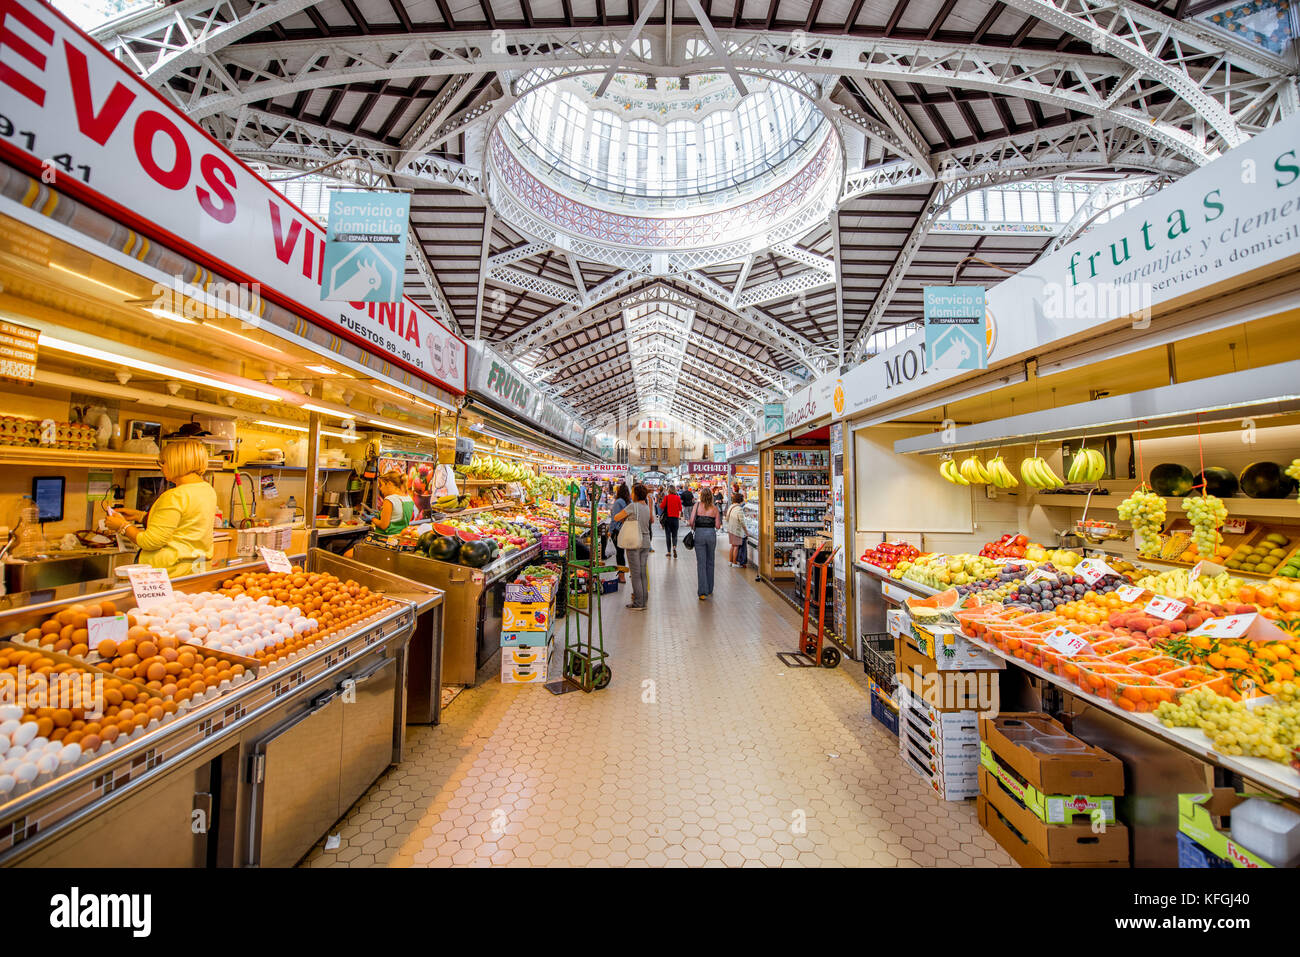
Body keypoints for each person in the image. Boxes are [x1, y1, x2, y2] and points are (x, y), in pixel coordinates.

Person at [104, 438, 217, 577]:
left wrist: (122, 526)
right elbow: (186, 524)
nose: (162, 467)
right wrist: (141, 516)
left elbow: (150, 542)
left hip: (169, 572)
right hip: (197, 568)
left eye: (163, 462)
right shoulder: (207, 490)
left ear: (178, 463)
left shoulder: (175, 496)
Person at [611, 484, 652, 610]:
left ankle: (638, 603)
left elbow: (616, 517)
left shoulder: (633, 506)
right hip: (645, 541)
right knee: (642, 573)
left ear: (636, 494)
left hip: (635, 542)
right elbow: (651, 521)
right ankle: (644, 600)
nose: (631, 494)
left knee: (635, 574)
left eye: (633, 492)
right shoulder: (646, 506)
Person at [687, 487, 721, 600]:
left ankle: (702, 591)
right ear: (711, 496)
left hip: (700, 535)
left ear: (701, 496)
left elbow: (691, 522)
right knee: (710, 561)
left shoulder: (696, 506)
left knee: (701, 563)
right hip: (711, 534)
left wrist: (695, 524)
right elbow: (717, 526)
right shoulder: (715, 508)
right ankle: (710, 588)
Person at [369, 470, 415, 539]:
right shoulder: (409, 498)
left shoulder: (390, 499)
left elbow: (383, 525)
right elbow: (397, 517)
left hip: (386, 539)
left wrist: (372, 518)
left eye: (381, 485)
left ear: (389, 484)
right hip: (402, 538)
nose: (380, 489)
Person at [608, 482, 631, 580]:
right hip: (627, 529)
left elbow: (615, 518)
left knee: (620, 553)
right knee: (627, 552)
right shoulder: (629, 502)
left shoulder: (618, 502)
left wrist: (610, 530)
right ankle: (629, 572)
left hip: (618, 530)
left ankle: (622, 576)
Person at [725, 491, 748, 567]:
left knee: (732, 545)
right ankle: (735, 563)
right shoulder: (739, 509)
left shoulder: (731, 506)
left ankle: (730, 561)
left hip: (730, 529)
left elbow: (727, 517)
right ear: (740, 500)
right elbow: (742, 522)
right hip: (736, 530)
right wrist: (746, 532)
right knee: (736, 547)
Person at [660, 484, 682, 559]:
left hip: (668, 519)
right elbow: (680, 508)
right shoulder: (678, 498)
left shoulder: (666, 497)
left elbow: (661, 506)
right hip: (675, 519)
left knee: (668, 535)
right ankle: (674, 547)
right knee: (675, 535)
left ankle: (669, 552)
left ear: (669, 490)